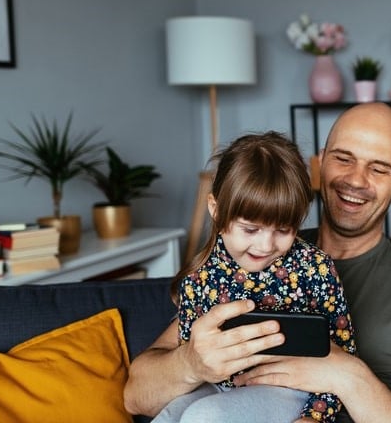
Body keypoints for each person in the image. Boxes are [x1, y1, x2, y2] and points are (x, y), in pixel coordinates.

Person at [125, 102, 391, 423]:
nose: (356, 179)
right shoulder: (250, 255)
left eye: (379, 168)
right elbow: (136, 397)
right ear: (319, 165)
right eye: (343, 158)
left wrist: (349, 378)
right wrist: (191, 363)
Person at [150, 132, 357, 423]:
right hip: (219, 386)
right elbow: (193, 353)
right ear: (216, 211)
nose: (265, 246)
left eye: (283, 230)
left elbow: (343, 353)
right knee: (168, 416)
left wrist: (316, 415)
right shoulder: (199, 277)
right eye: (250, 229)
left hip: (290, 389)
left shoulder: (315, 268)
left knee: (205, 416)